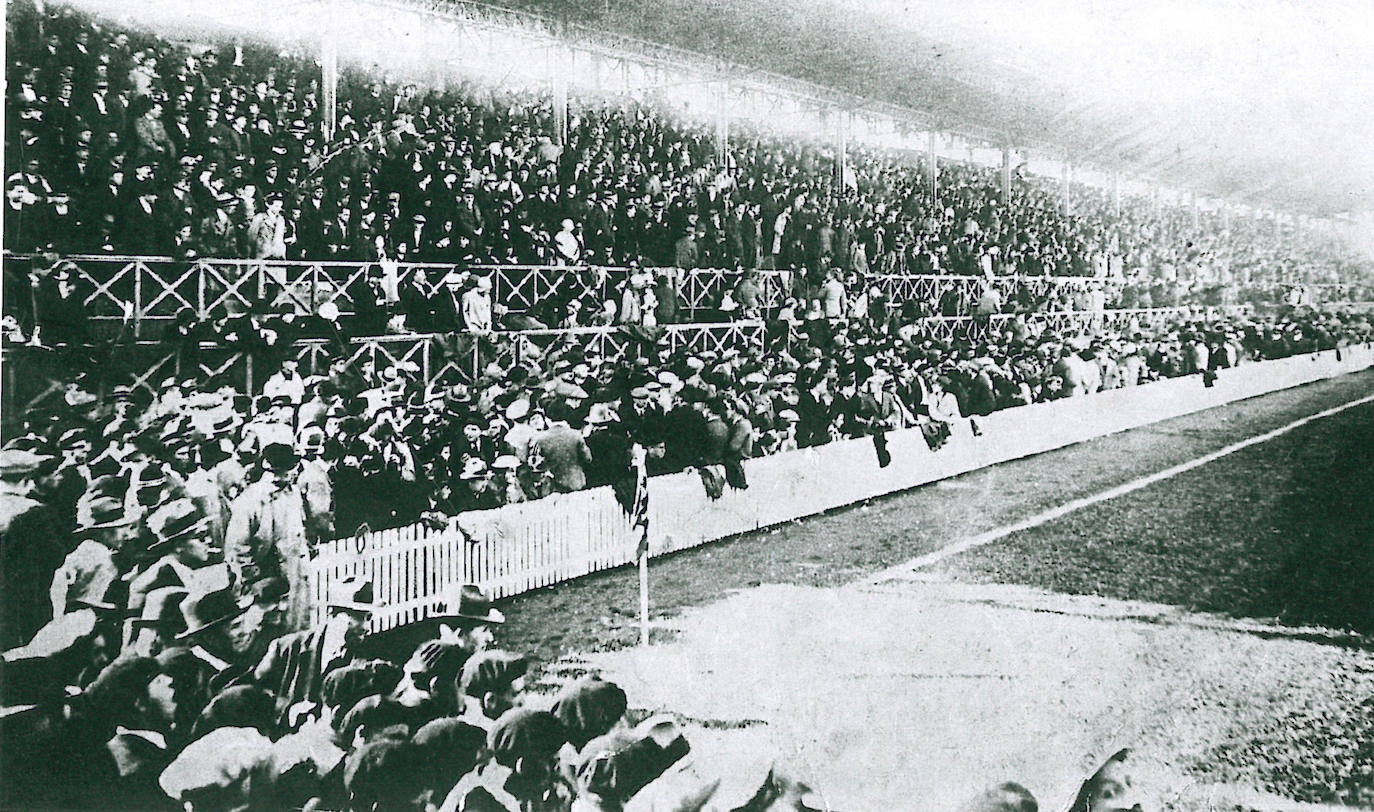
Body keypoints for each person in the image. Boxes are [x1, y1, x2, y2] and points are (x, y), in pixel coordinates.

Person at [249, 576, 378, 725]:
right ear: (335, 615)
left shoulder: (365, 660)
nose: (367, 628)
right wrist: (285, 710)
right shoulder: (285, 648)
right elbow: (254, 696)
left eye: (369, 618)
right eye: (360, 618)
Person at [223, 442, 314, 631]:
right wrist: (256, 579)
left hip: (295, 574)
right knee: (268, 635)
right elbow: (236, 548)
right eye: (280, 471)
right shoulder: (250, 500)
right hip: (266, 579)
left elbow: (299, 529)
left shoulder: (294, 493)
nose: (287, 475)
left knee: (298, 631)